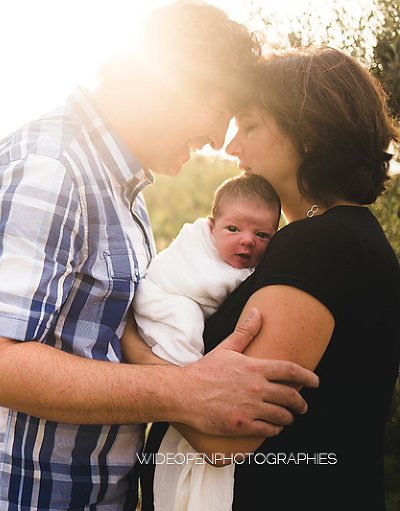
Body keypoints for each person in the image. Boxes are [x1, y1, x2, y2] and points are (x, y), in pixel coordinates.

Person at [0, 2, 319, 509]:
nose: (220, 140)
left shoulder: (116, 184)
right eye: (222, 112)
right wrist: (185, 392)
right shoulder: (51, 168)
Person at [138, 46, 400, 510]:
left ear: (309, 133)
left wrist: (131, 342)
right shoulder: (344, 236)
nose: (231, 146)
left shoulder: (319, 245)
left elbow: (226, 438)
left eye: (250, 126)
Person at [122, 173, 281, 511]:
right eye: (233, 229)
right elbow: (211, 285)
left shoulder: (231, 254)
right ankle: (186, 380)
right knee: (185, 323)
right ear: (211, 226)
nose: (247, 241)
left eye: (262, 235)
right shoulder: (199, 251)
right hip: (162, 299)